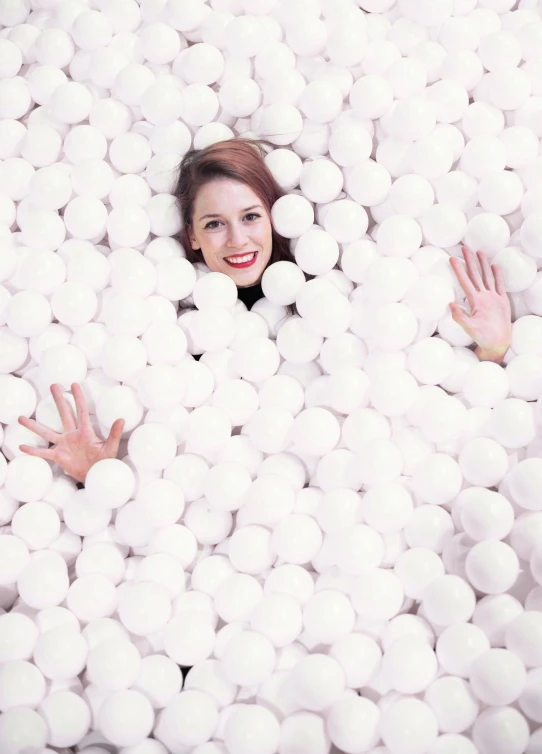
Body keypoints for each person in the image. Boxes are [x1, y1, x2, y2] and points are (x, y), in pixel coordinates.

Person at [18, 137, 512, 483]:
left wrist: (492, 350)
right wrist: (96, 475)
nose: (237, 241)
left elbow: (424, 398)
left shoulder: (332, 284)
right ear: (190, 235)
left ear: (275, 215)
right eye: (213, 224)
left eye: (250, 217)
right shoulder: (174, 324)